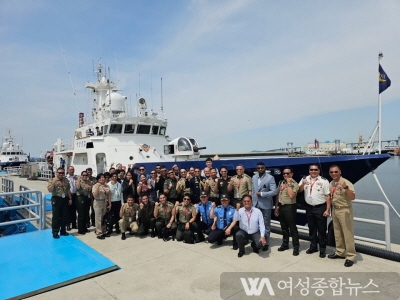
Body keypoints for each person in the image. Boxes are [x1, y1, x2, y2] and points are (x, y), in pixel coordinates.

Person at [298, 164, 331, 258]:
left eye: (315, 170)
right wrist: (303, 184)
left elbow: (328, 196)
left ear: (319, 171)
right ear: (309, 171)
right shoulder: (305, 179)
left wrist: (327, 210)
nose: (313, 171)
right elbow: (299, 191)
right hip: (309, 207)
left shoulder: (324, 181)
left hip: (320, 207)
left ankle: (322, 249)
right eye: (311, 170)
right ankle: (313, 247)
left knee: (322, 229)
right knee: (311, 228)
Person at [328, 165, 356, 267]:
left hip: (345, 210)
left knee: (348, 234)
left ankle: (351, 256)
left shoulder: (346, 182)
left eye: (335, 172)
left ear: (340, 172)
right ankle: (340, 252)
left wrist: (345, 187)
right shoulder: (331, 183)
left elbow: (352, 197)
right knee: (338, 233)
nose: (333, 174)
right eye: (331, 172)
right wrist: (330, 211)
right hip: (335, 210)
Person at [274, 167, 300, 256]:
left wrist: (289, 183)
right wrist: (276, 207)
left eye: (288, 173)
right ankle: (285, 244)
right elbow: (278, 195)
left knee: (292, 228)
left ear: (292, 174)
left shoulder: (295, 184)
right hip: (281, 206)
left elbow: (291, 195)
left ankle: (296, 247)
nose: (285, 175)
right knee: (283, 227)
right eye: (284, 173)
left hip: (290, 207)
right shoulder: (281, 182)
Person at [251, 162, 277, 251]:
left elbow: (274, 192)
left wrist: (262, 194)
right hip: (255, 205)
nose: (260, 169)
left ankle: (266, 243)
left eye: (262, 168)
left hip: (265, 205)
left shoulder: (270, 178)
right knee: (256, 224)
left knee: (266, 225)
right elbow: (253, 190)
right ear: (257, 169)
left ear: (264, 168)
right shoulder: (254, 177)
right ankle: (258, 241)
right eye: (258, 168)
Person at [48, 167, 72, 239]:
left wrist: (70, 198)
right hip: (56, 199)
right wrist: (53, 182)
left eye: (62, 173)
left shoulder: (66, 180)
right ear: (56, 173)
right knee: (56, 217)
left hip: (64, 199)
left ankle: (63, 231)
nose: (61, 174)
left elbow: (68, 190)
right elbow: (50, 190)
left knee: (64, 216)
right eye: (60, 173)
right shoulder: (53, 180)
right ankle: (55, 232)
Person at [92, 173, 111, 240]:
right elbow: (95, 195)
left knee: (104, 218)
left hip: (104, 202)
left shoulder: (107, 186)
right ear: (98, 179)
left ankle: (103, 231)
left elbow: (108, 195)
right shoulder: (95, 186)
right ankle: (99, 233)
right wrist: (98, 186)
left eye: (103, 177)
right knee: (98, 218)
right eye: (100, 178)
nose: (102, 179)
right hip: (98, 202)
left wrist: (110, 204)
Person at [65, 166, 78, 231]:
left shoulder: (76, 177)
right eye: (70, 170)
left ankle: (74, 224)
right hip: (68, 195)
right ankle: (68, 225)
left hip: (75, 195)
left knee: (74, 210)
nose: (71, 171)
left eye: (72, 170)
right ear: (68, 170)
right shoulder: (65, 178)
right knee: (68, 211)